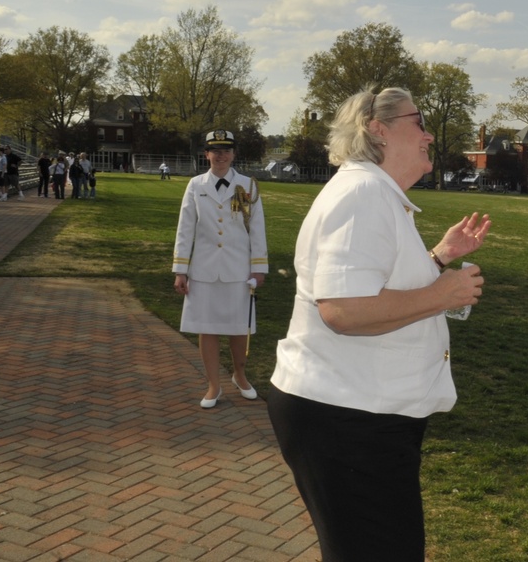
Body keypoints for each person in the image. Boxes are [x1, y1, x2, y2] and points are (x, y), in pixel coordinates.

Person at [267, 87, 490, 562]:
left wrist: (439, 258)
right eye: (419, 121)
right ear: (378, 129)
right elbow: (343, 311)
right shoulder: (363, 193)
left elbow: (370, 286)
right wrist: (441, 293)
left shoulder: (375, 193)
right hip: (347, 419)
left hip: (357, 413)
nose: (429, 134)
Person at [172, 130, 268, 409]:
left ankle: (240, 375)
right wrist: (181, 270)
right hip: (203, 270)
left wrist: (258, 267)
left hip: (238, 269)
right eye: (215, 150)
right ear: (207, 154)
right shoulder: (195, 185)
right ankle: (214, 384)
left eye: (226, 150)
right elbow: (185, 227)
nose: (221, 155)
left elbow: (257, 229)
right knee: (207, 329)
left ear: (234, 154)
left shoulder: (248, 185)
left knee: (240, 328)